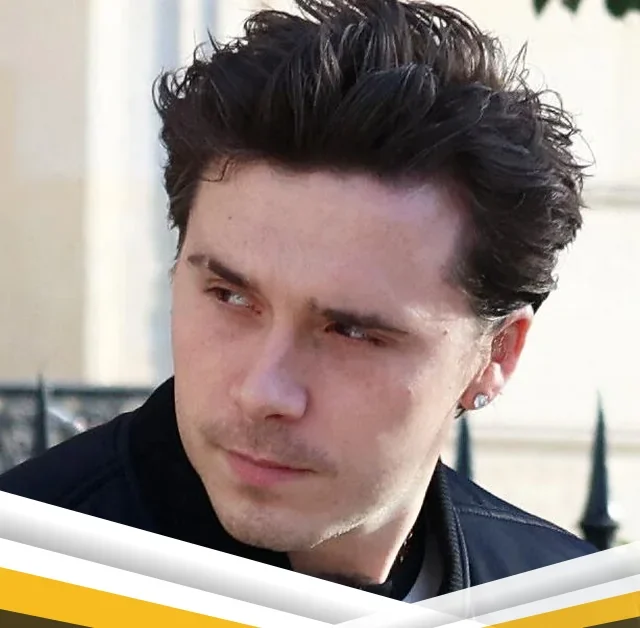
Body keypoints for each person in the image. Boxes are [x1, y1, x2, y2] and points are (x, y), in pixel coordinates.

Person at [0, 0, 595, 602]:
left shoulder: (559, 600)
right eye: (231, 296)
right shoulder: (21, 572)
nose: (263, 392)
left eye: (352, 332)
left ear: (497, 353)